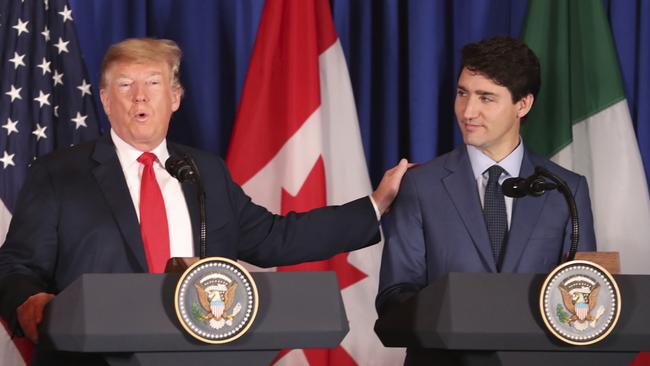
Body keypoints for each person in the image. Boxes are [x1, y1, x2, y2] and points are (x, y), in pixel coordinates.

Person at [0, 38, 409, 365]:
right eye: (125, 85)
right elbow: (16, 265)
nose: (140, 97)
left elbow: (274, 237)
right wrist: (28, 301)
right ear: (106, 100)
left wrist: (374, 205)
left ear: (175, 97)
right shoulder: (58, 173)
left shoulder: (204, 172)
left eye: (154, 83)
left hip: (198, 354)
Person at [375, 36, 596, 364]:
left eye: (486, 98)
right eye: (463, 93)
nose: (468, 111)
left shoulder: (565, 189)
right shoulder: (421, 186)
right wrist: (458, 314)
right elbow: (394, 295)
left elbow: (585, 295)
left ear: (523, 104)